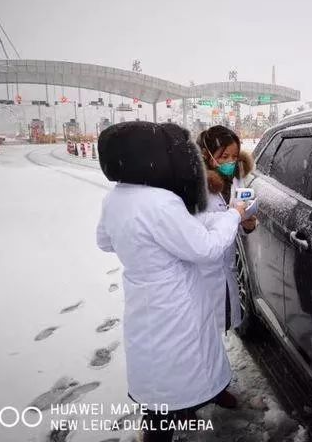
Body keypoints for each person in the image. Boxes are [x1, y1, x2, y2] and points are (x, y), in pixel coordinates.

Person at [96, 121, 246, 442]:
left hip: (142, 296)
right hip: (175, 301)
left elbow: (106, 242)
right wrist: (234, 215)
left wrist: (142, 251)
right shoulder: (161, 202)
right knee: (182, 365)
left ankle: (165, 418)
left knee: (158, 364)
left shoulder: (116, 198)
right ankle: (163, 428)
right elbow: (205, 249)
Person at [195, 125, 257, 408]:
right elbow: (197, 232)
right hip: (200, 273)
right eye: (224, 156)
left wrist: (246, 223)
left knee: (216, 333)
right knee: (198, 336)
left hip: (224, 267)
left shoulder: (238, 182)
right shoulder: (194, 188)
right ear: (208, 155)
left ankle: (215, 387)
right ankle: (195, 394)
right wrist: (231, 218)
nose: (231, 162)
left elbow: (242, 222)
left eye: (234, 155)